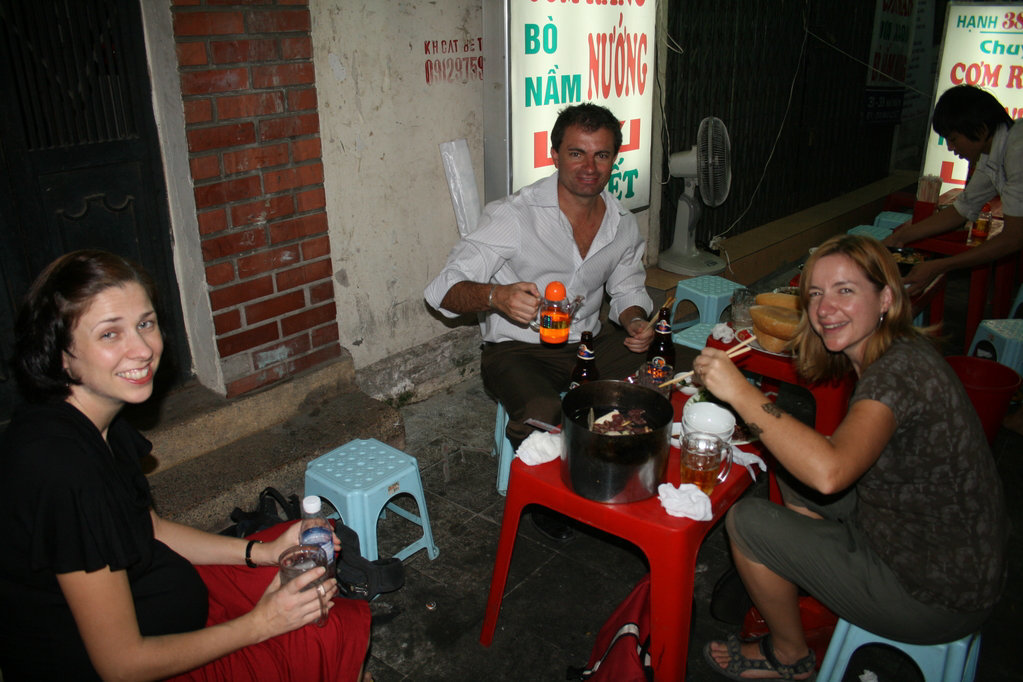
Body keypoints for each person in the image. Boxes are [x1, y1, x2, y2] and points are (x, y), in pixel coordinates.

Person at [0, 250, 372, 681]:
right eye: (109, 335)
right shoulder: (63, 471)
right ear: (61, 354)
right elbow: (121, 665)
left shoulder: (95, 418)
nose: (142, 349)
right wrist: (262, 624)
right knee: (318, 633)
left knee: (297, 567)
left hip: (162, 599)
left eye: (145, 323)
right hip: (124, 662)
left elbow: (151, 530)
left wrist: (260, 552)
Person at [691, 235, 1006, 680]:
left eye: (845, 290)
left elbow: (830, 473)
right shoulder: (899, 352)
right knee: (789, 461)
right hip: (939, 549)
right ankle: (822, 573)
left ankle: (789, 656)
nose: (824, 308)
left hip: (933, 595)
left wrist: (742, 393)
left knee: (747, 522)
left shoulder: (897, 374)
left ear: (886, 298)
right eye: (816, 294)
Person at [424, 103, 655, 539]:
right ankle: (549, 497)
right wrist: (496, 296)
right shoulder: (513, 216)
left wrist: (637, 320)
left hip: (586, 343)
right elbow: (440, 290)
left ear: (614, 160)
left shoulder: (622, 224)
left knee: (664, 369)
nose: (589, 167)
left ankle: (617, 462)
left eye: (601, 155)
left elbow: (628, 288)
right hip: (516, 349)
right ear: (554, 154)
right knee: (542, 410)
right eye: (576, 153)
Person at [884, 84, 1023, 296]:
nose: (950, 148)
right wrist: (900, 237)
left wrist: (940, 266)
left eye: (954, 138)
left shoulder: (1017, 151)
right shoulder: (991, 154)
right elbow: (962, 209)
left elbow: (1013, 238)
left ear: (981, 129)